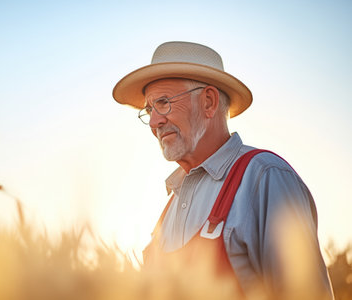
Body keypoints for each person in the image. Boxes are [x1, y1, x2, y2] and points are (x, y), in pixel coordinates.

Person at [112, 41, 333, 299]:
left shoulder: (266, 178)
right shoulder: (168, 209)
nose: (154, 122)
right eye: (149, 110)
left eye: (163, 102)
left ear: (208, 102)